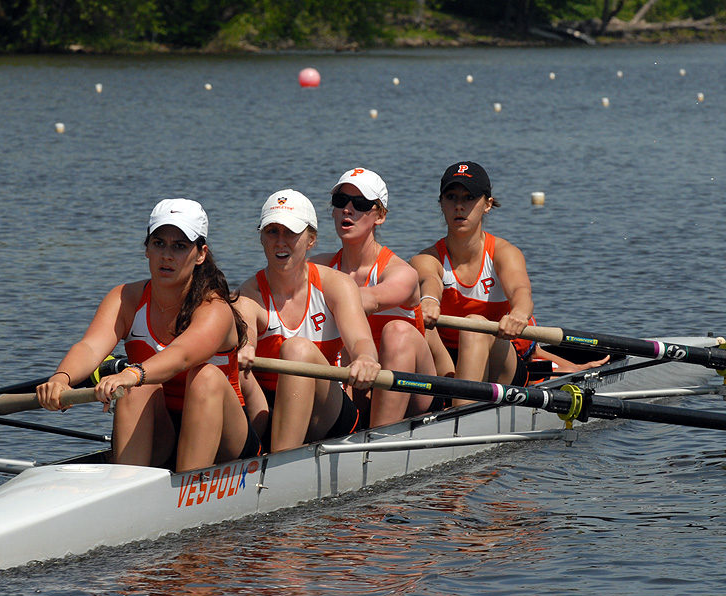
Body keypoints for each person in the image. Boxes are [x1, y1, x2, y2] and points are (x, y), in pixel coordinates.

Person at [36, 198, 258, 471]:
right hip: (163, 429)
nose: (167, 255)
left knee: (204, 376)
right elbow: (90, 348)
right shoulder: (125, 298)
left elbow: (181, 355)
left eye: (179, 246)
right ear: (147, 250)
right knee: (136, 386)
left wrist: (130, 374)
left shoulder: (214, 308)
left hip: (226, 435)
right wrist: (61, 378)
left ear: (200, 254)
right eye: (159, 243)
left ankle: (187, 490)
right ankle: (127, 484)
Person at [236, 189, 381, 452]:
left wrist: (366, 359)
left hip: (328, 413)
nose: (281, 242)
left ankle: (280, 465)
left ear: (311, 239)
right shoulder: (248, 294)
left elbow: (361, 340)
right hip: (270, 408)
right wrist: (245, 347)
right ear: (261, 238)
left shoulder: (335, 285)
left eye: (291, 232)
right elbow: (246, 333)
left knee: (297, 348)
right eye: (272, 232)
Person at [310, 167, 437, 427]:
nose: (347, 209)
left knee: (397, 331)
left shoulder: (402, 273)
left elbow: (369, 301)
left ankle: (378, 441)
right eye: (340, 201)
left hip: (413, 389)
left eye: (360, 204)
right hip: (355, 382)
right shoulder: (319, 266)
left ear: (379, 216)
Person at [411, 162, 537, 406]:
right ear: (441, 204)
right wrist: (428, 300)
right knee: (411, 325)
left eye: (469, 198)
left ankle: (458, 419)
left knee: (476, 326)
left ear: (487, 204)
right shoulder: (425, 258)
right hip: (446, 362)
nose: (459, 206)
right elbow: (430, 281)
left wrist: (519, 314)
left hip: (502, 363)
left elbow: (521, 291)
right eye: (451, 197)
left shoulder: (503, 253)